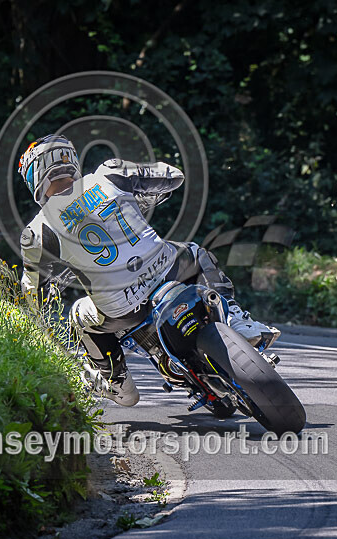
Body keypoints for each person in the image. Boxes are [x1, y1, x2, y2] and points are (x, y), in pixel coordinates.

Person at [18, 134, 280, 407]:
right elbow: (173, 176)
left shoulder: (37, 232)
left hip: (122, 308)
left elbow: (34, 294)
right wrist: (143, 194)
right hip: (167, 271)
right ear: (70, 160)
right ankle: (237, 320)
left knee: (78, 317)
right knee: (194, 252)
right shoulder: (109, 173)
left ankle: (119, 384)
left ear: (35, 177)